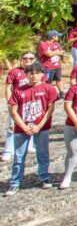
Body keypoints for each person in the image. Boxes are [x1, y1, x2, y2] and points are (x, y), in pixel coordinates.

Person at [5, 63, 57, 195]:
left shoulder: (48, 88)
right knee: (19, 156)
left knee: (43, 154)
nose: (34, 76)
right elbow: (13, 111)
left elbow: (50, 109)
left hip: (41, 127)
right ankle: (15, 182)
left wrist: (39, 126)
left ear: (43, 74)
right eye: (31, 73)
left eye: (37, 73)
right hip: (22, 128)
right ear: (26, 74)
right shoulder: (18, 90)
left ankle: (44, 177)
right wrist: (23, 126)